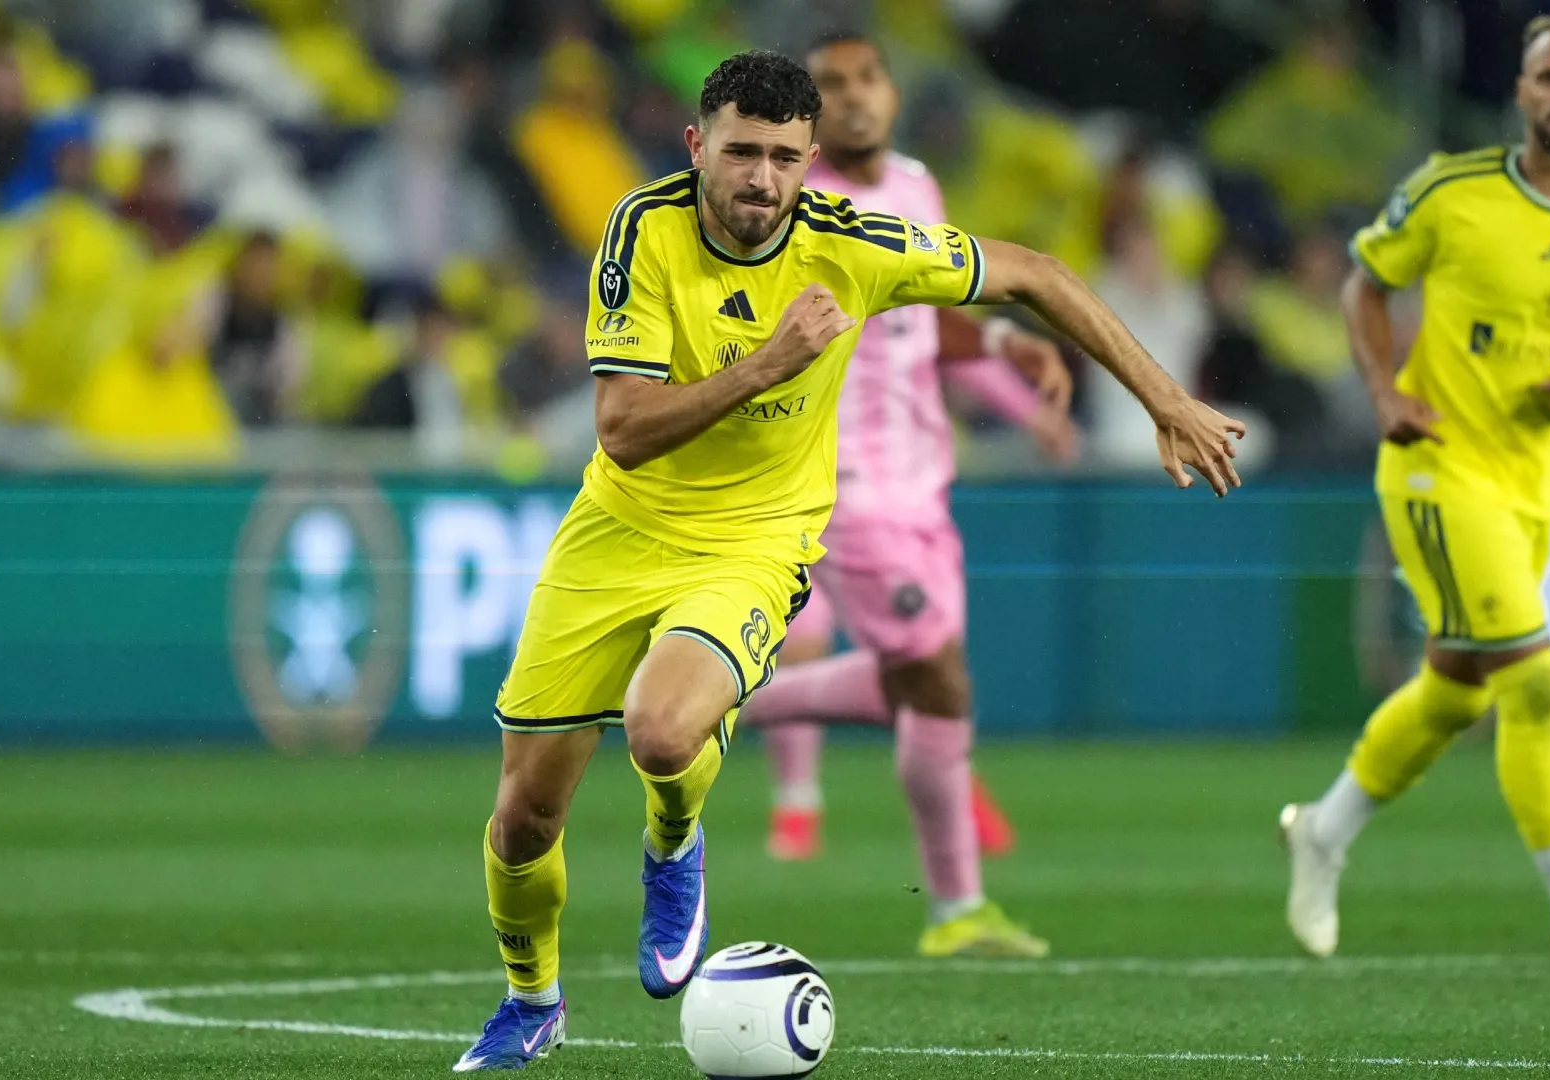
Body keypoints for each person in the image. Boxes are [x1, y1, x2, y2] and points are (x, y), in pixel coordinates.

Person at [455, 49, 1243, 1071]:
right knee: (523, 818)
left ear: (809, 160)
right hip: (618, 531)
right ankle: (534, 1002)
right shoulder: (642, 230)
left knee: (659, 730)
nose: (761, 180)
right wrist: (773, 361)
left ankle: (674, 840)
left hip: (756, 537)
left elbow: (1038, 276)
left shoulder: (854, 243)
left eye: (785, 158)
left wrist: (1165, 400)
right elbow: (624, 428)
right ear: (698, 146)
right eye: (741, 152)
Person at [1280, 10, 1550, 978]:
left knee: (1458, 696)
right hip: (1438, 464)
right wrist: (1384, 392)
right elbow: (1363, 287)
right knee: (1533, 681)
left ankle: (1323, 831)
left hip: (1539, 481)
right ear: (1522, 92)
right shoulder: (1449, 193)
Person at [735, 33, 1076, 961]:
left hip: (926, 480)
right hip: (846, 483)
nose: (852, 98)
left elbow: (929, 320)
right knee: (934, 672)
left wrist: (1005, 352)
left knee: (930, 692)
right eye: (830, 86)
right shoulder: (795, 211)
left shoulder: (917, 188)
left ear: (892, 92)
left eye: (866, 79)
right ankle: (708, 703)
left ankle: (956, 908)